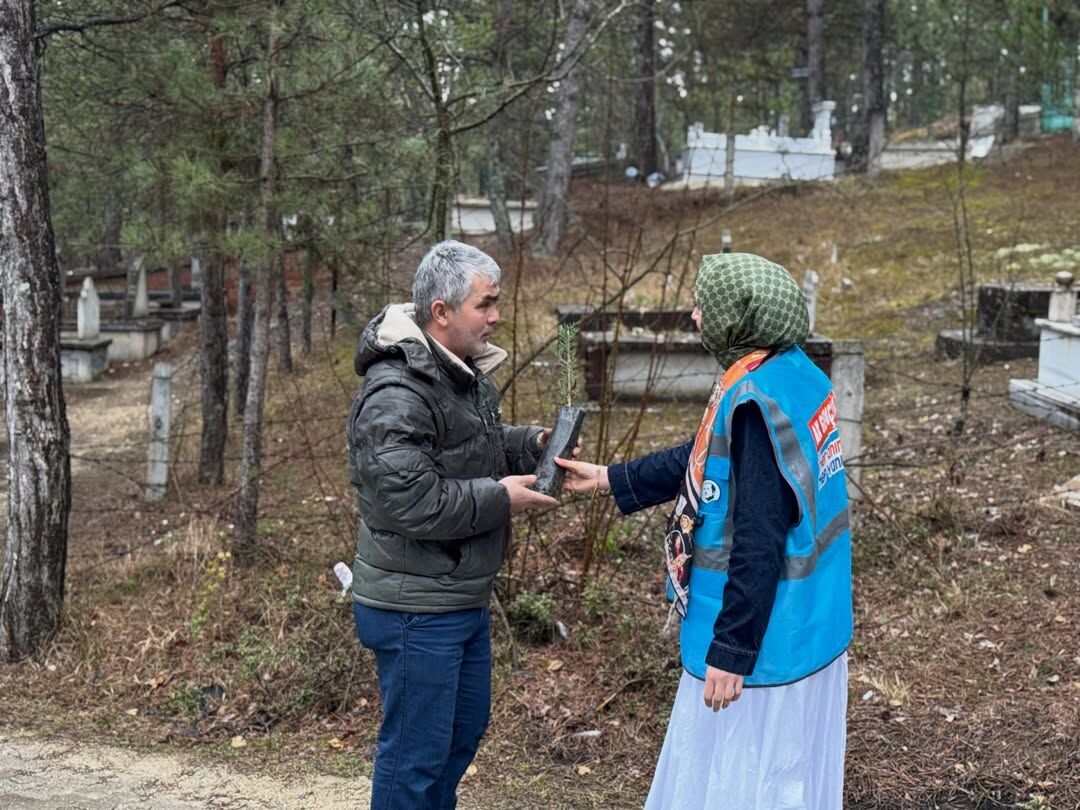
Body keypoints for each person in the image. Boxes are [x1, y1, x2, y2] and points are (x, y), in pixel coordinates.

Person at [558, 252, 853, 810]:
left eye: (705, 306)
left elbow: (759, 538)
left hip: (765, 647)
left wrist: (732, 650)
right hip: (813, 620)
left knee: (744, 783)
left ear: (738, 317)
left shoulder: (754, 402)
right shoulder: (791, 373)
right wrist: (612, 478)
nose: (695, 316)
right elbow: (706, 458)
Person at [346, 240, 560, 810]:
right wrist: (501, 497)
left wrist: (531, 445)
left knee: (457, 738)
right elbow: (409, 500)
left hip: (457, 596)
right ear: (440, 312)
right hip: (414, 605)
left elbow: (468, 447)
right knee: (416, 754)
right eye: (485, 305)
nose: (496, 317)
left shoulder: (456, 374)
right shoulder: (396, 391)